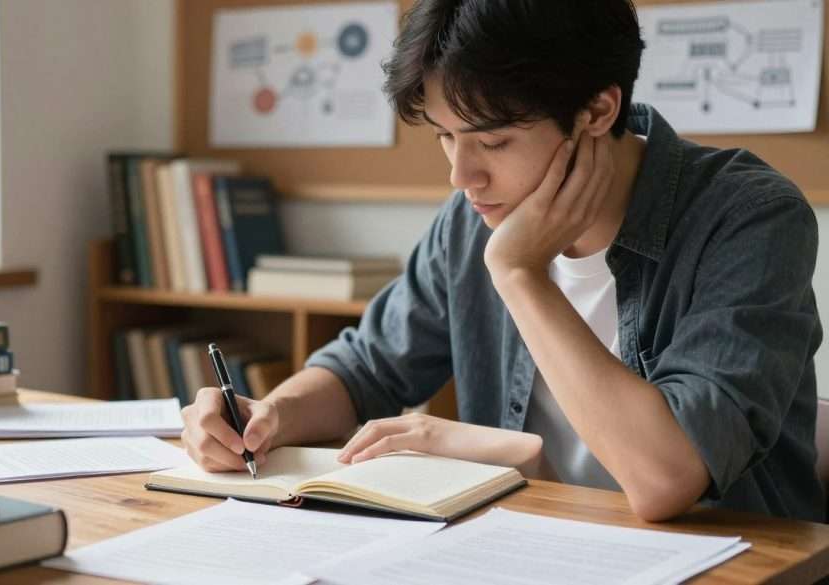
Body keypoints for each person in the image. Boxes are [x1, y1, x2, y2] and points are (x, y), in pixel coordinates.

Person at [180, 0, 824, 523]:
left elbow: (667, 479)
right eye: (444, 137)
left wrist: (519, 274)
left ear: (598, 110)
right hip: (527, 544)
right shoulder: (471, 216)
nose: (463, 175)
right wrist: (269, 417)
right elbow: (364, 367)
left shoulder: (748, 218)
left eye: (493, 140)